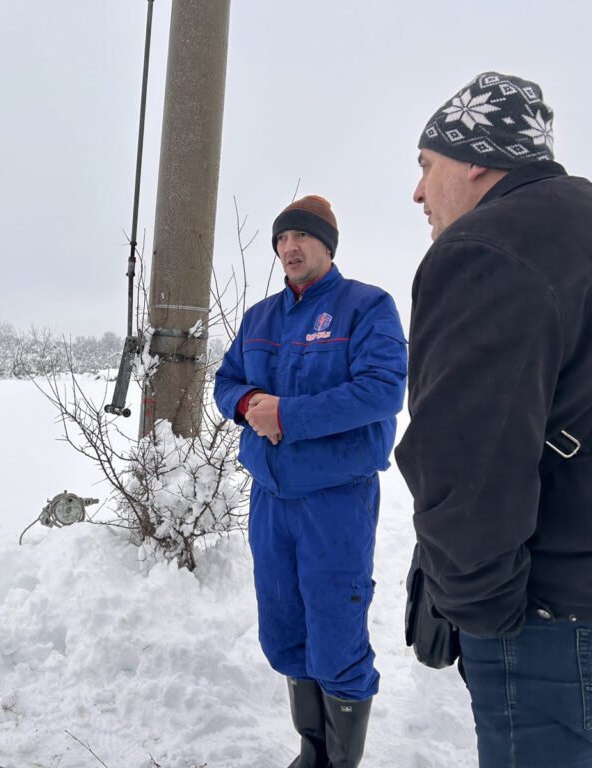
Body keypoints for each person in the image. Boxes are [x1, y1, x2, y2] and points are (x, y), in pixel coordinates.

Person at [396, 72, 592, 768]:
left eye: (427, 165)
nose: (419, 192)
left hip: (554, 620)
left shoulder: (486, 248)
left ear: (477, 158)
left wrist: (483, 615)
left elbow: (462, 460)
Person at [214, 196, 407, 767]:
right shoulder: (260, 317)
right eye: (281, 239)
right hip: (270, 498)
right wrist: (247, 401)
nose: (289, 247)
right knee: (284, 629)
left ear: (327, 244)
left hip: (335, 499)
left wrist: (288, 415)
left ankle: (341, 762)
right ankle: (312, 751)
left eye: (300, 236)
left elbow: (382, 391)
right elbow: (226, 381)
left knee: (335, 631)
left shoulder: (366, 306)